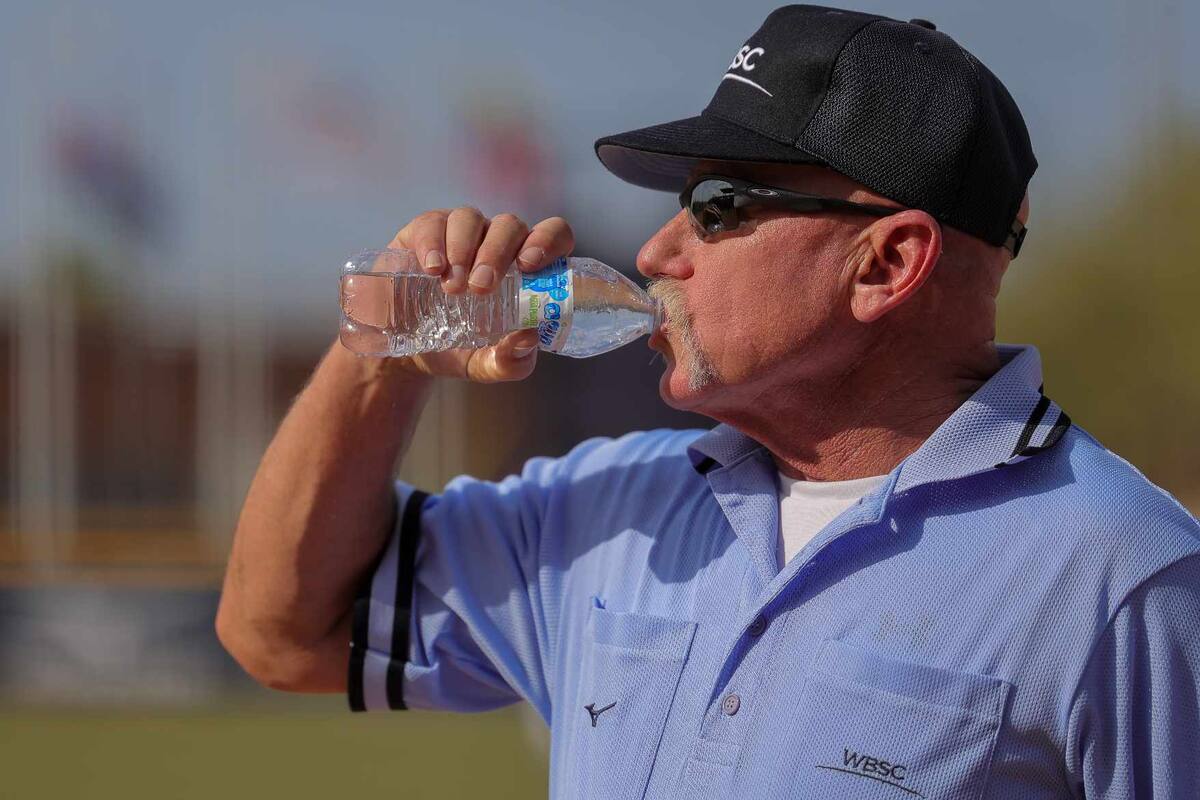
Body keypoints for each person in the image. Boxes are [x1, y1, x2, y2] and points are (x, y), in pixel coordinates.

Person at [216, 6, 1200, 798]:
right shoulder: (611, 506)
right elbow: (282, 633)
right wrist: (384, 354)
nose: (657, 250)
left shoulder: (1124, 574)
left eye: (717, 207)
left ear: (888, 262)